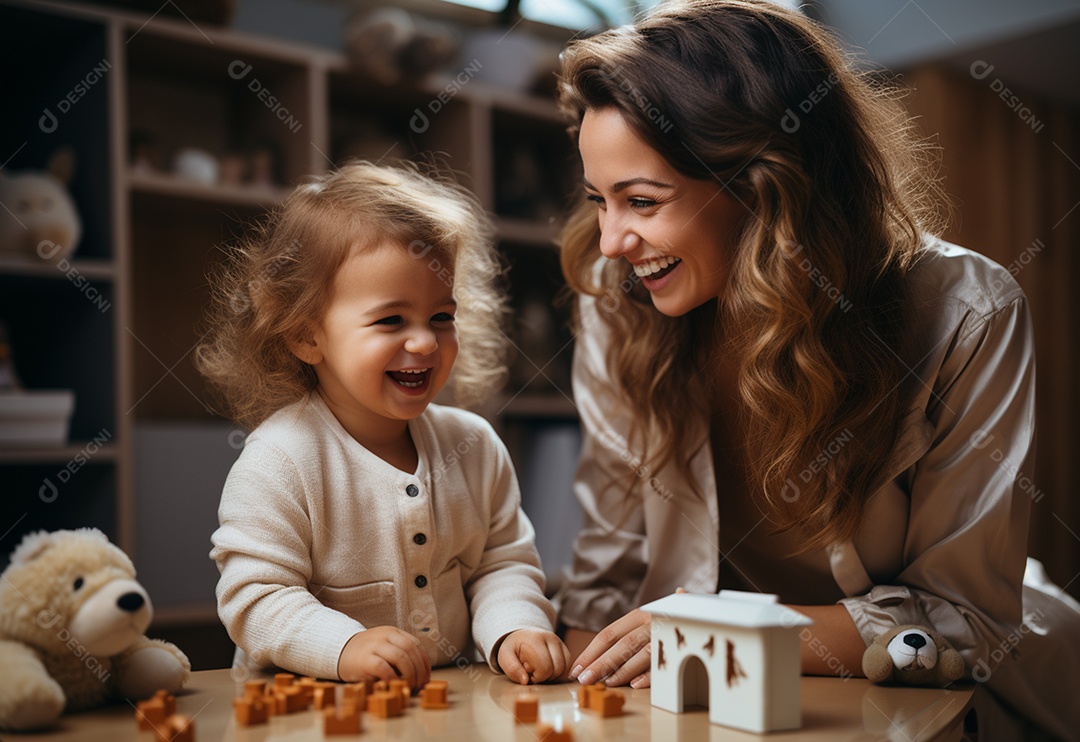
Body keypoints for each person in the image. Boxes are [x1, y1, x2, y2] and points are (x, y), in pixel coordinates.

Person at [553, 0, 1080, 738]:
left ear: (766, 185)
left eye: (642, 201)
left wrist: (709, 630)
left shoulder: (968, 312)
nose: (610, 242)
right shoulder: (620, 313)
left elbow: (963, 627)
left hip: (961, 689)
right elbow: (605, 584)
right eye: (597, 202)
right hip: (726, 686)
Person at [200, 162, 570, 687]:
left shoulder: (475, 446)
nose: (423, 342)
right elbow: (255, 597)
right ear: (307, 337)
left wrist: (515, 629)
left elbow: (502, 565)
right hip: (308, 715)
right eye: (391, 320)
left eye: (441, 316)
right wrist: (344, 645)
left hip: (447, 711)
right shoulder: (278, 460)